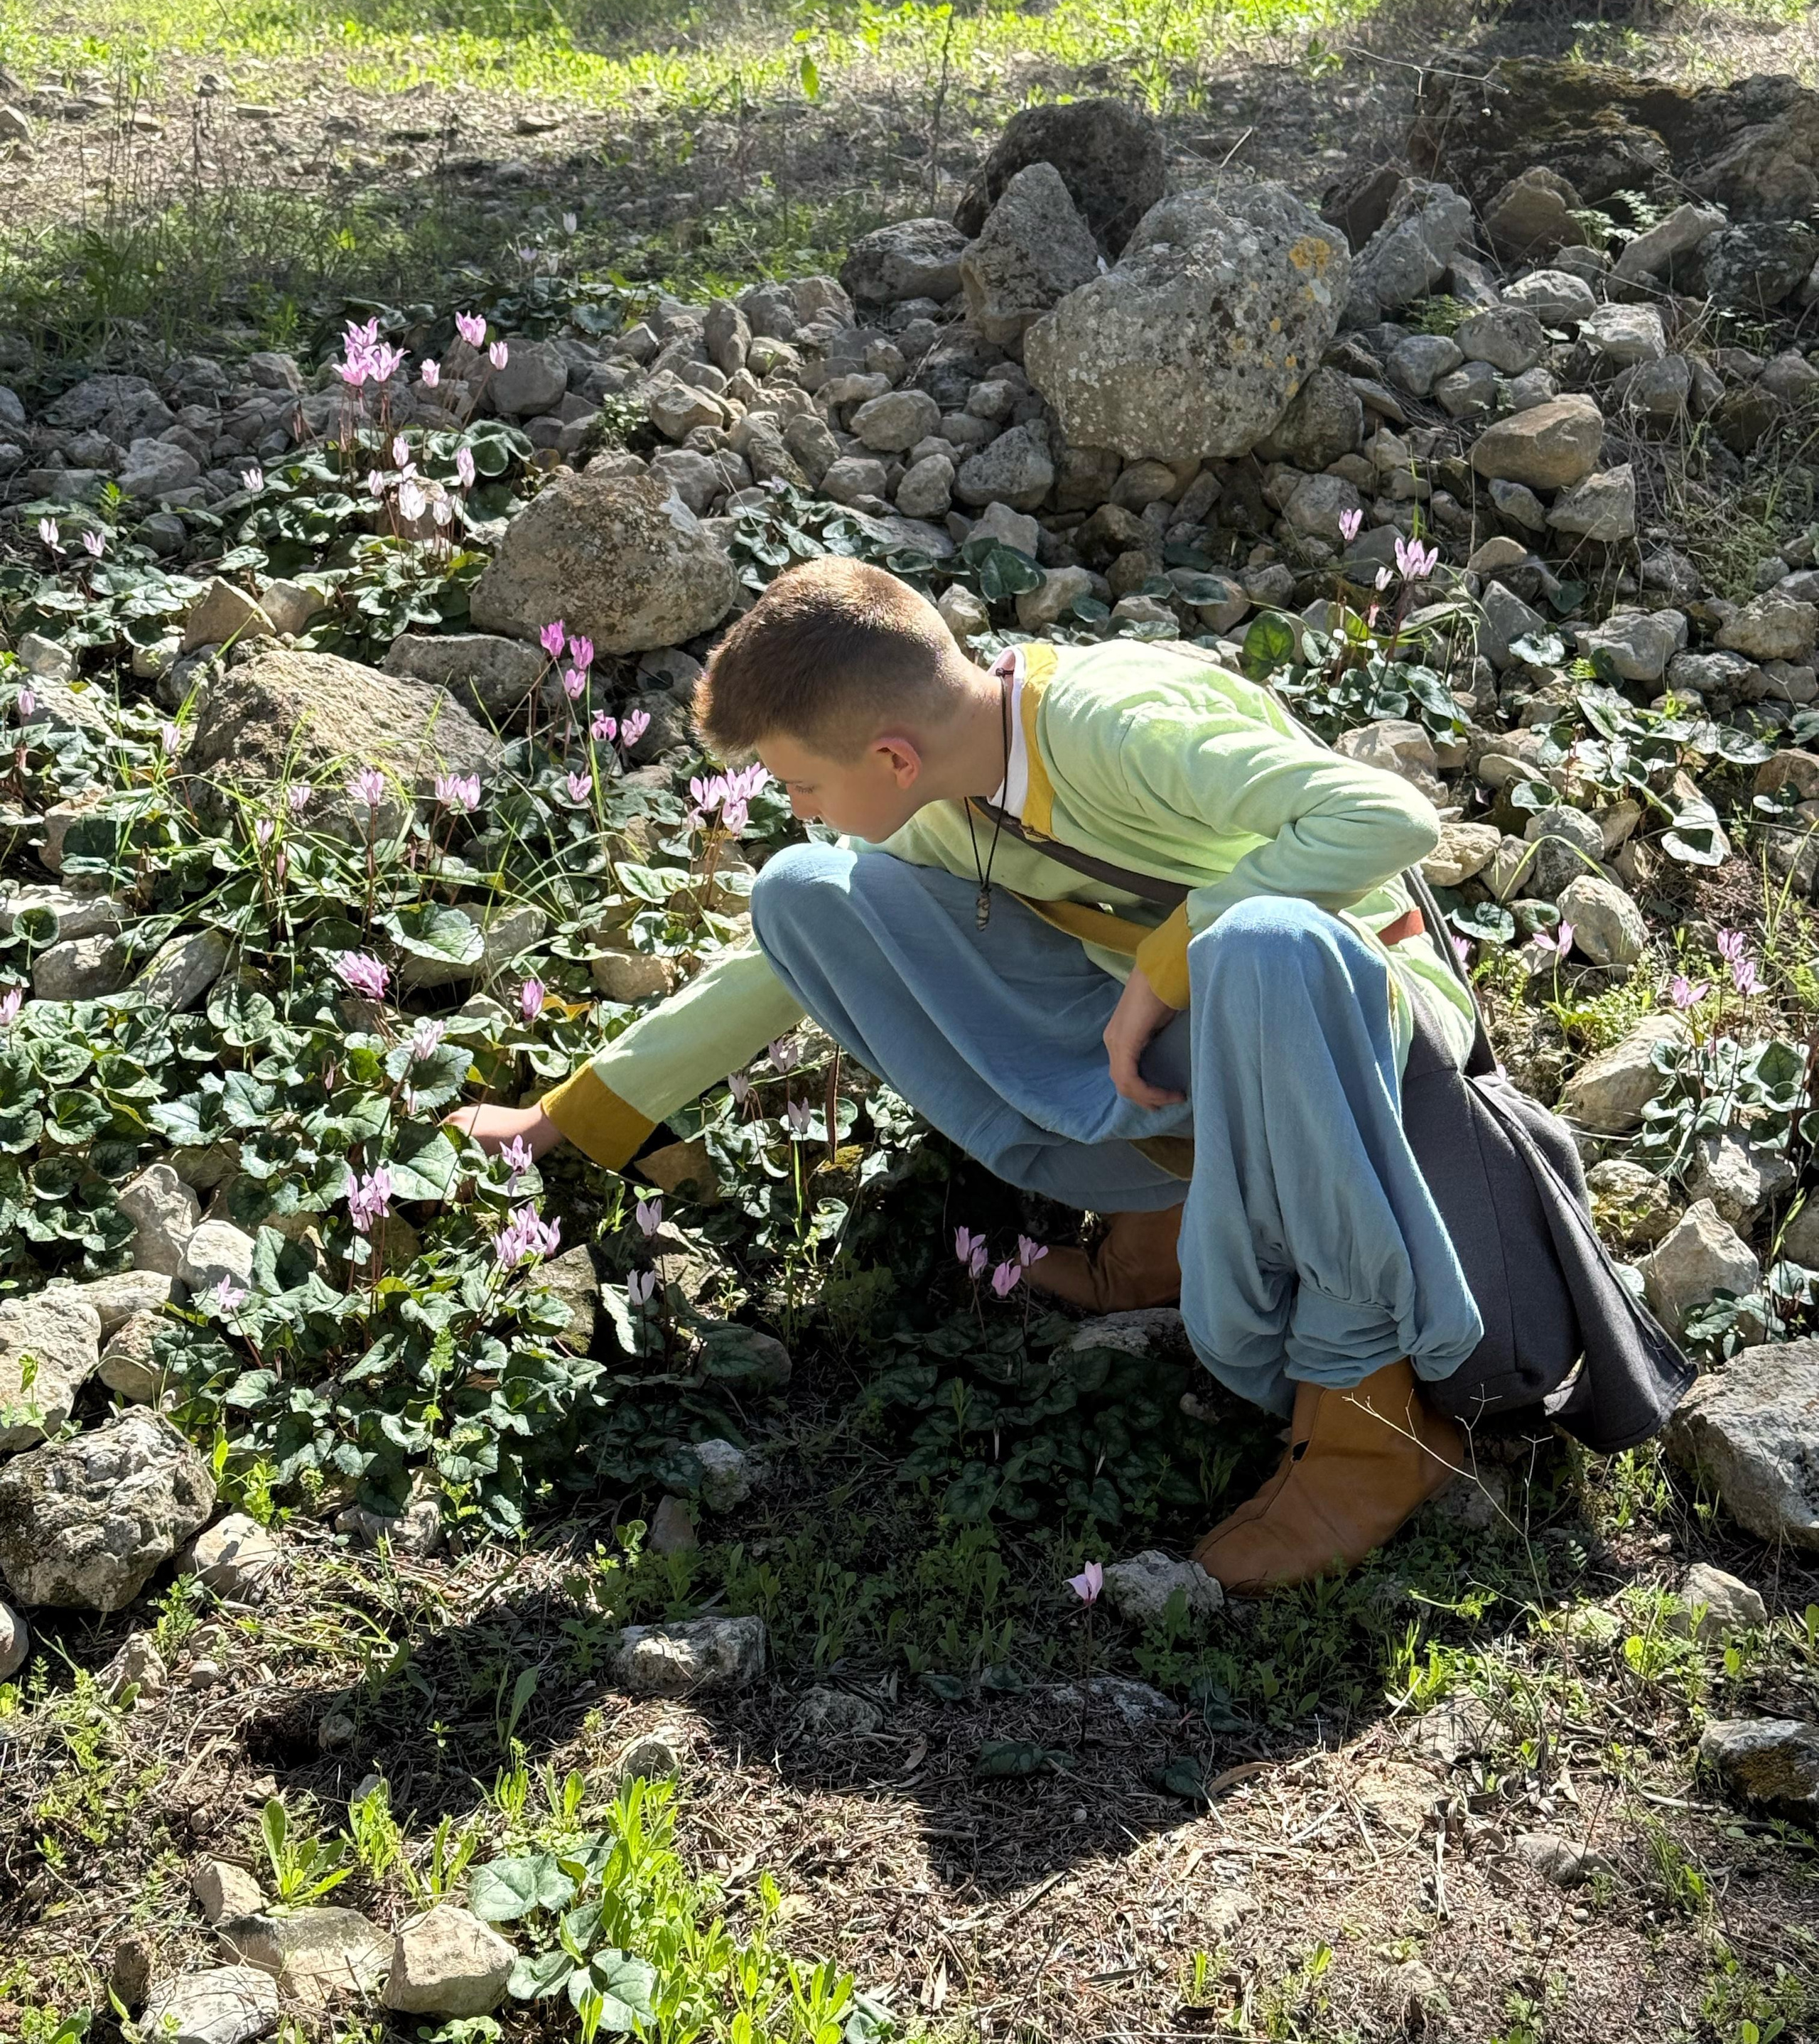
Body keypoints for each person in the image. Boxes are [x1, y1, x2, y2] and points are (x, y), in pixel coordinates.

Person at [453, 557, 1488, 1592]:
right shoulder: (949, 789)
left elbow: (1387, 818)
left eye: (802, 781)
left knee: (1253, 946)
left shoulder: (1104, 723)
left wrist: (1164, 967)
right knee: (804, 896)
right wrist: (565, 1117)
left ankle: (1370, 1422)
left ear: (892, 755)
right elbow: (774, 966)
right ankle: (1164, 1220)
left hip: (1364, 1028)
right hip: (1197, 1038)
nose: (797, 802)